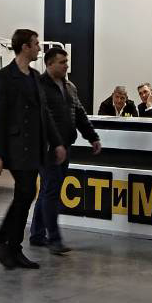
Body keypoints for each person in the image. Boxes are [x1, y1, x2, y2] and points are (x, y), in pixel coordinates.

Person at [0, 29, 64, 270]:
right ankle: (4, 240)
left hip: (35, 148)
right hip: (16, 147)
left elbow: (44, 114)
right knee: (26, 192)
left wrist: (57, 142)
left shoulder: (34, 76)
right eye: (36, 44)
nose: (39, 48)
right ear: (24, 47)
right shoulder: (3, 78)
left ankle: (11, 246)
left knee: (26, 195)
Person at [31, 46, 101, 254]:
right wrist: (53, 143)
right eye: (62, 62)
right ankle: (54, 239)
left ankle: (37, 234)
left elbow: (79, 113)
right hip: (47, 149)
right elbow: (38, 120)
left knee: (47, 190)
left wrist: (92, 137)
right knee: (51, 191)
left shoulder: (69, 87)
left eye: (66, 62)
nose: (66, 66)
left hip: (65, 147)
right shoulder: (39, 86)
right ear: (49, 63)